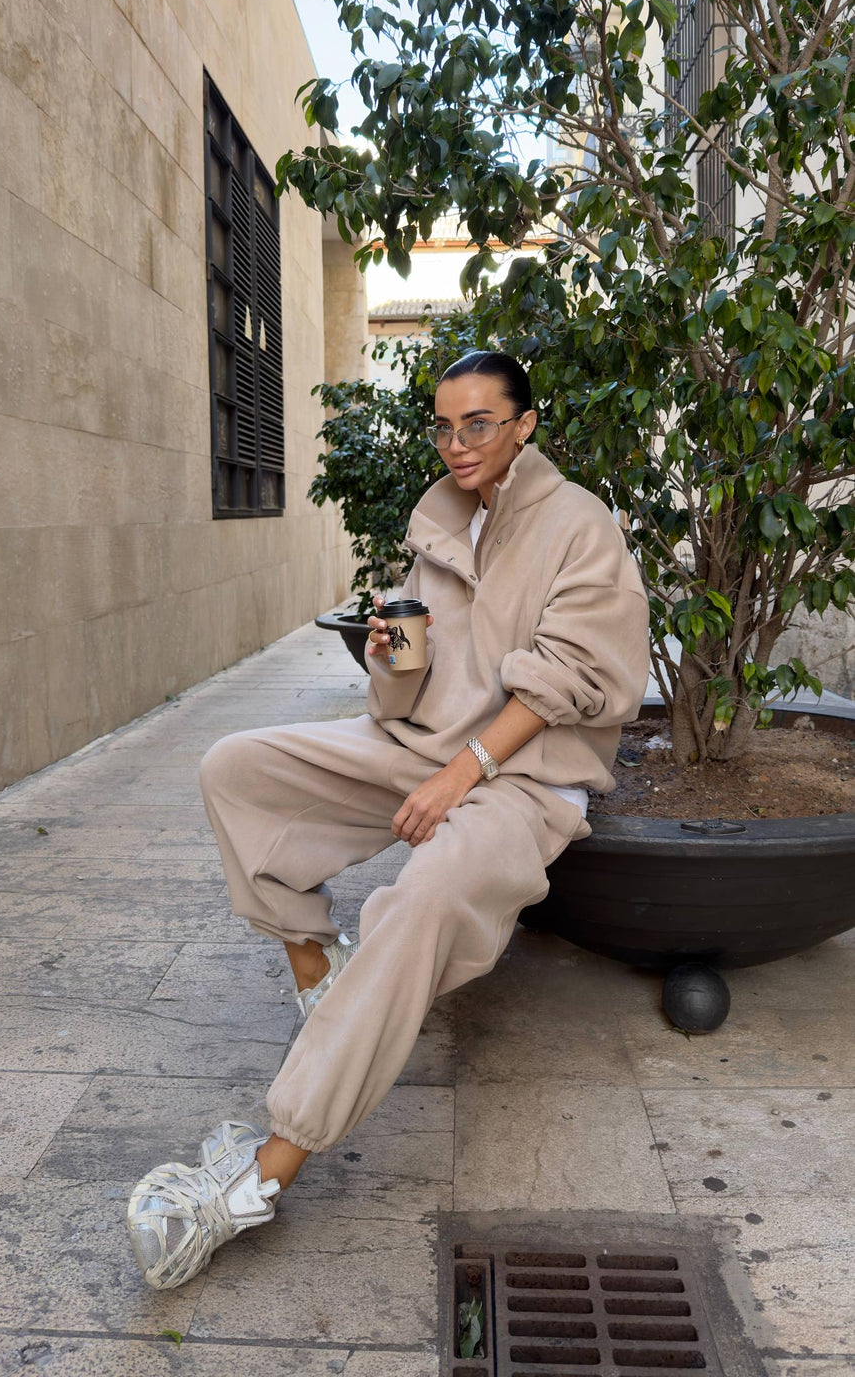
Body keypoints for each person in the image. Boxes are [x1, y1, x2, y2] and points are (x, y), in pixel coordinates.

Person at [126, 350, 651, 1290]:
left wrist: (463, 775)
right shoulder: (442, 521)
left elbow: (576, 679)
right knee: (236, 769)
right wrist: (392, 655)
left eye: (479, 423)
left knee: (420, 903)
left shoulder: (579, 525)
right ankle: (319, 976)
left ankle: (262, 1175)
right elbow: (408, 693)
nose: (458, 444)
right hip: (425, 750)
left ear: (526, 423)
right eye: (444, 427)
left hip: (526, 779)